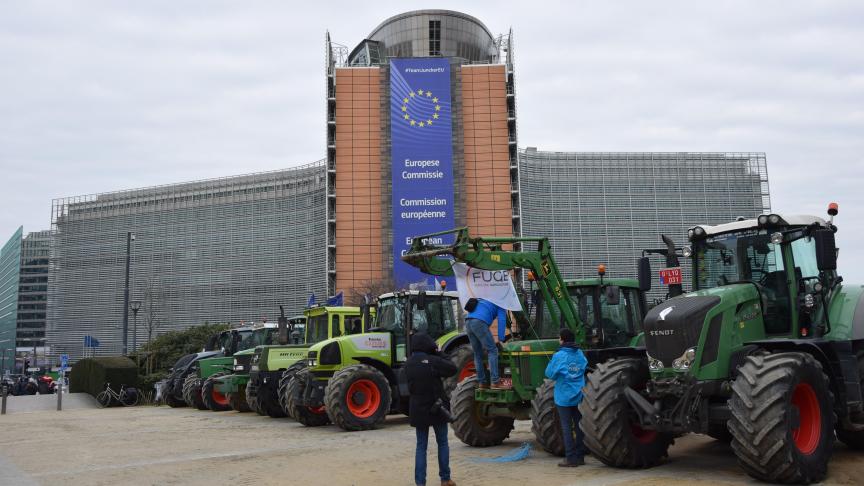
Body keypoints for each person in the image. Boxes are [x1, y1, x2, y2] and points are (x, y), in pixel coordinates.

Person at [405, 333, 458, 486]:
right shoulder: (433, 361)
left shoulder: (408, 364)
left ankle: (420, 483)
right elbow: (452, 368)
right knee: (442, 442)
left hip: (418, 409)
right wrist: (440, 353)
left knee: (421, 446)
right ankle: (445, 479)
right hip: (437, 408)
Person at [544, 328, 588, 467]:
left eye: (559, 337)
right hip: (579, 394)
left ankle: (570, 459)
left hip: (563, 397)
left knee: (566, 428)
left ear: (562, 339)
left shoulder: (559, 355)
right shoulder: (580, 354)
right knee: (579, 426)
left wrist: (552, 363)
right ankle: (580, 457)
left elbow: (550, 374)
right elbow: (583, 368)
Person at [465, 298, 507, 389]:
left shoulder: (485, 299)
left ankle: (482, 382)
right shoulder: (501, 303)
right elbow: (502, 320)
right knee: (492, 350)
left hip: (468, 321)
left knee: (477, 353)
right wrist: (501, 339)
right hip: (479, 322)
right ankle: (495, 382)